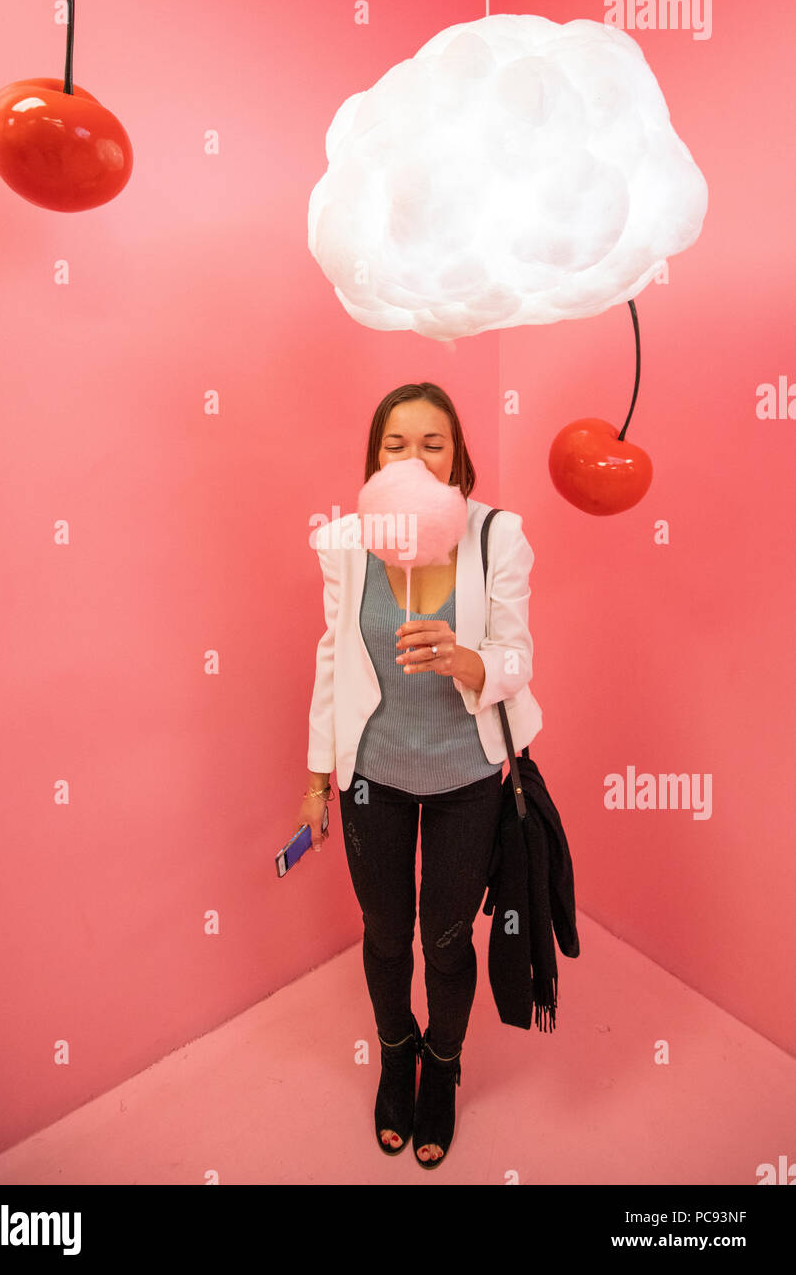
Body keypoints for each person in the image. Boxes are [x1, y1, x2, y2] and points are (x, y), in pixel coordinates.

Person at [296, 381, 542, 1168]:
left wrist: (466, 658)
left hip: (467, 775)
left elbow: (517, 657)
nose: (413, 458)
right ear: (373, 460)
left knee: (445, 939)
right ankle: (395, 1055)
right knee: (384, 933)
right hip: (373, 775)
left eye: (432, 443)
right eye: (395, 445)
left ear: (459, 455)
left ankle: (442, 1064)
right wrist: (315, 779)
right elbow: (332, 659)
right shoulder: (344, 541)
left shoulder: (498, 535)